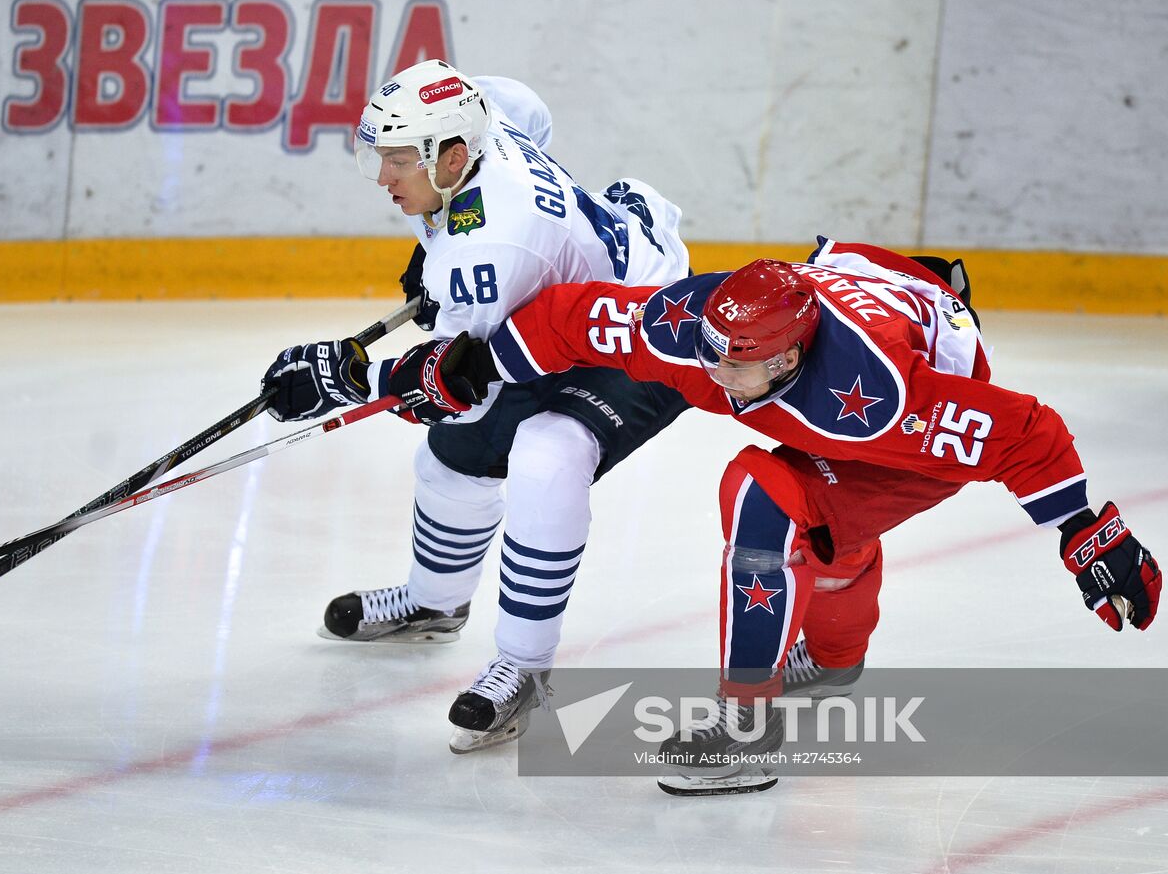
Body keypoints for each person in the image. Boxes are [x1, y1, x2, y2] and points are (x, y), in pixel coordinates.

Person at [384, 236, 1161, 790]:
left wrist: (1090, 534)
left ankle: (746, 727)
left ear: (790, 357)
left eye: (738, 361)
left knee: (765, 493)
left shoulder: (880, 399)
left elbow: (1025, 432)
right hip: (872, 279)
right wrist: (472, 366)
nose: (713, 372)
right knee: (808, 513)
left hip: (916, 391)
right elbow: (564, 318)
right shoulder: (686, 330)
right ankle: (833, 654)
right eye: (711, 349)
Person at [260, 59, 694, 753]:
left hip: (648, 328)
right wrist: (435, 244)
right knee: (453, 463)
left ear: (453, 154)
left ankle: (524, 665)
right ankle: (434, 603)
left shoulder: (492, 248)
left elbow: (461, 390)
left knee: (547, 455)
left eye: (399, 161)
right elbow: (533, 113)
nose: (384, 178)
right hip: (568, 306)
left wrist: (345, 381)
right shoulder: (483, 109)